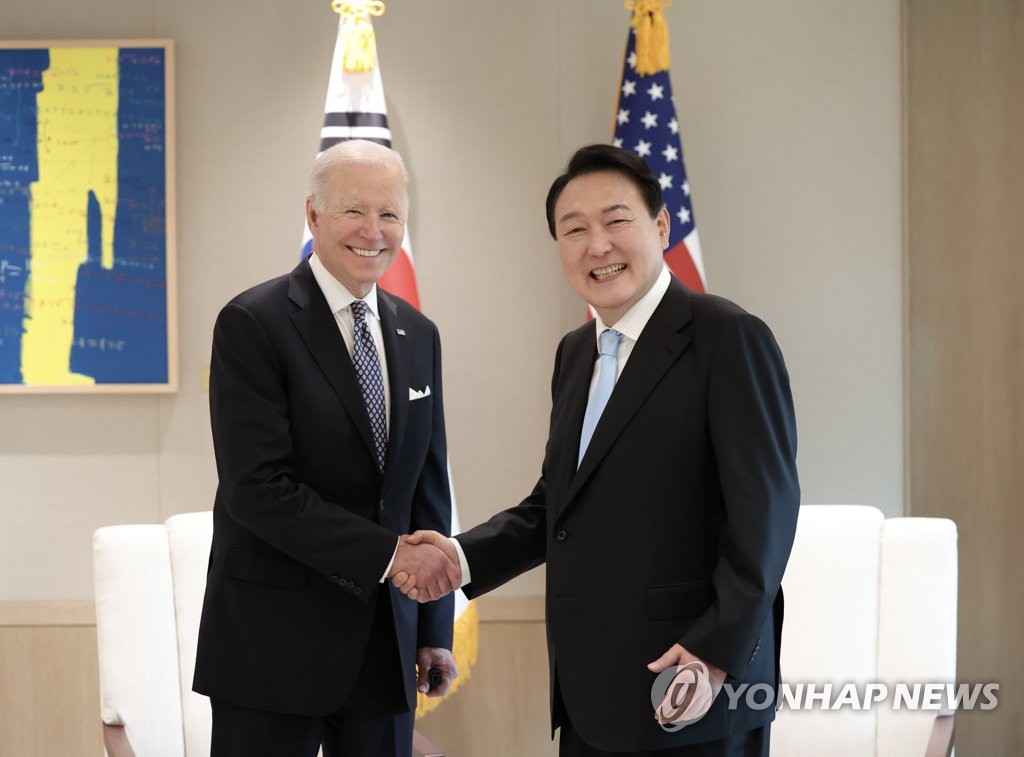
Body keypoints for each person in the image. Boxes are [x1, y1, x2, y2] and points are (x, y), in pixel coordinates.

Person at [396, 144, 800, 756]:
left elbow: (765, 518)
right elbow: (556, 508)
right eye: (574, 229)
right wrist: (459, 558)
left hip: (691, 686)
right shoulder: (576, 354)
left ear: (660, 226)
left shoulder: (728, 337)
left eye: (616, 221)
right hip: (588, 694)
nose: (597, 245)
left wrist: (714, 655)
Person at [193, 139, 460, 757]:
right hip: (271, 650)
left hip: (385, 649)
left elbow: (426, 487)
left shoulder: (418, 334)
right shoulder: (253, 322)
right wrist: (390, 558)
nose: (374, 231)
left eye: (390, 214)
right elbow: (256, 490)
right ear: (313, 216)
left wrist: (432, 629)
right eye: (353, 212)